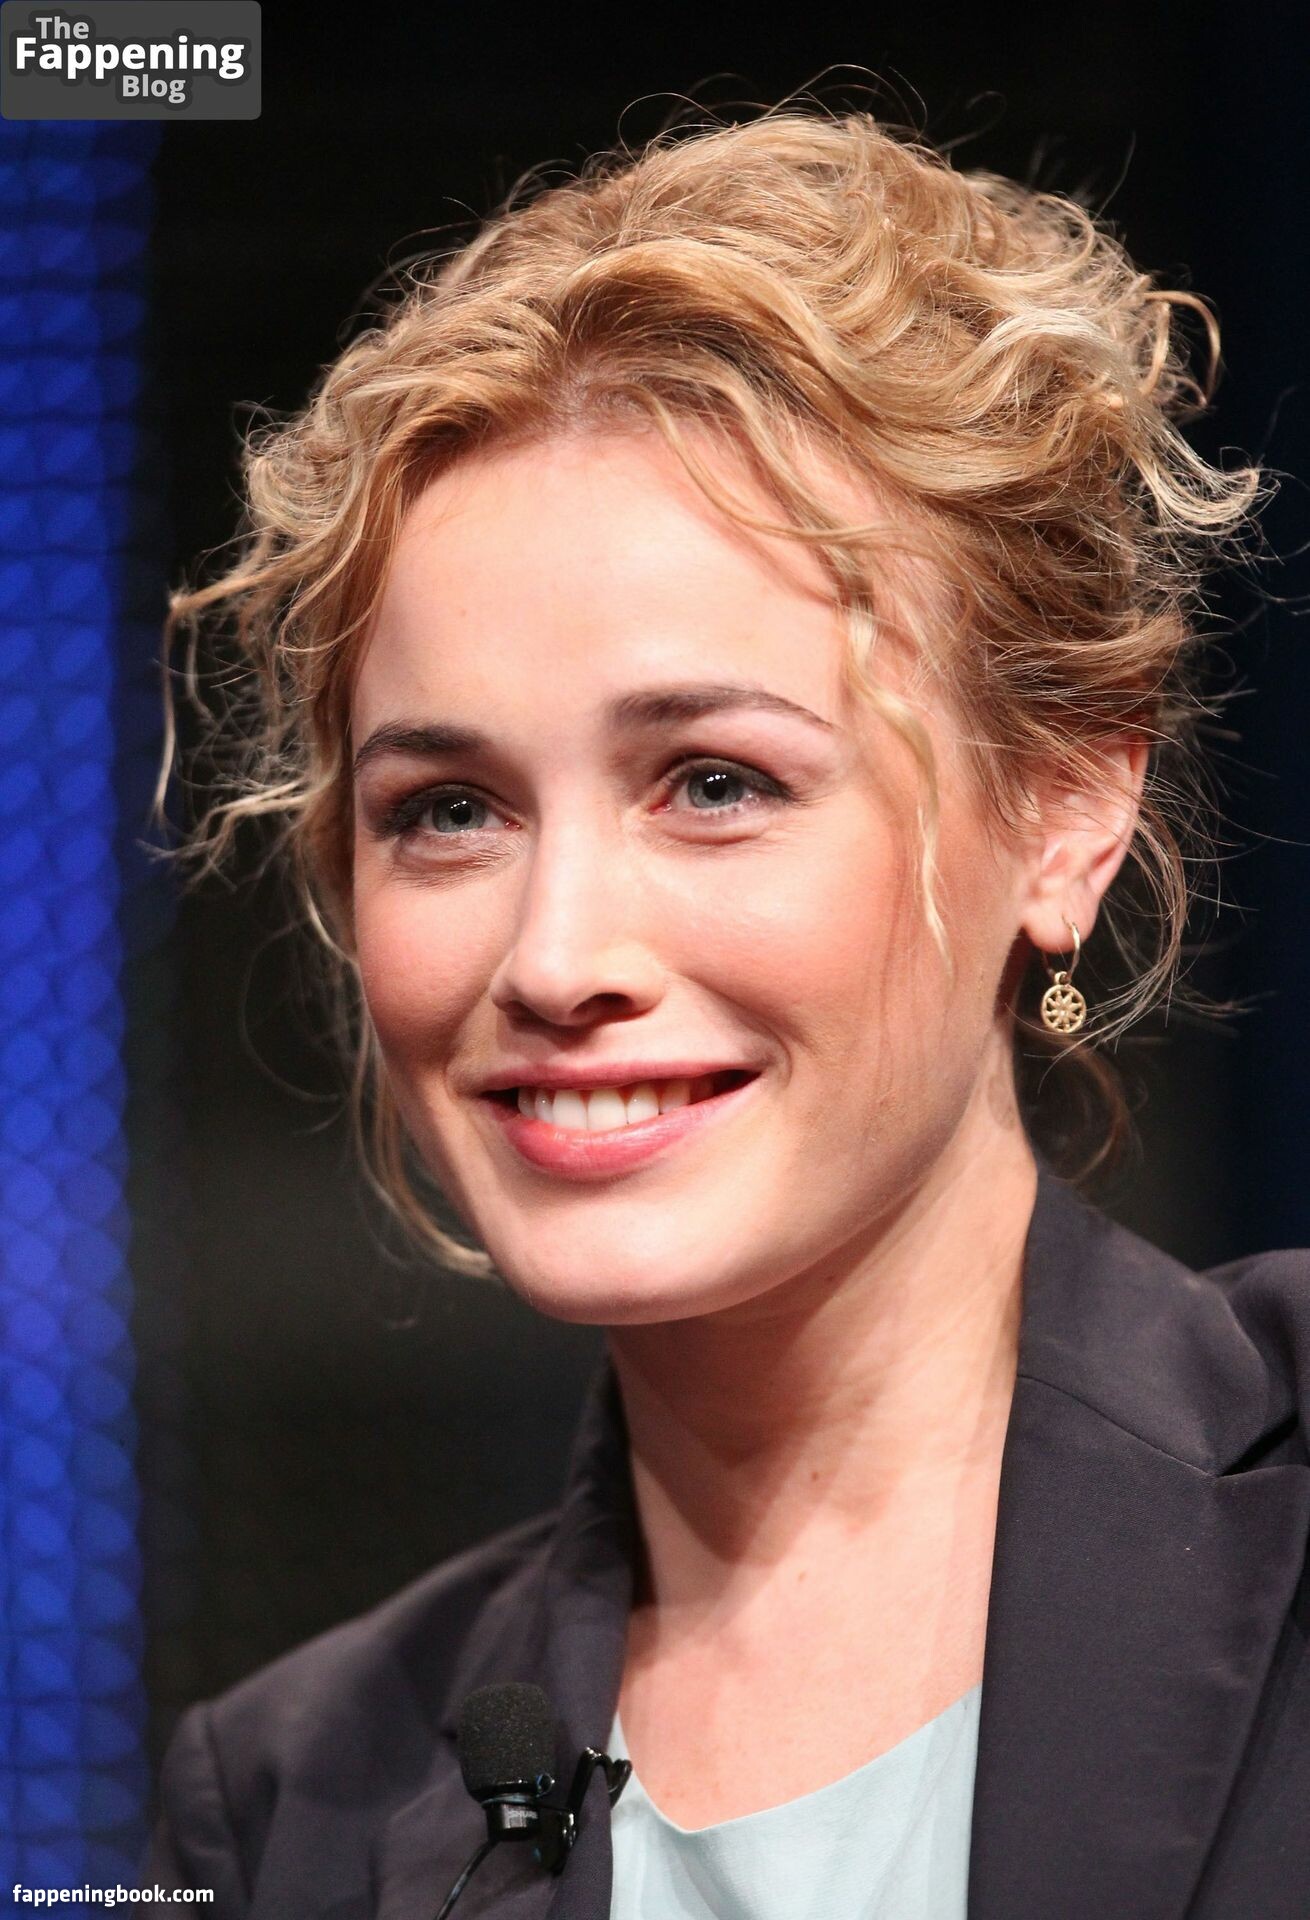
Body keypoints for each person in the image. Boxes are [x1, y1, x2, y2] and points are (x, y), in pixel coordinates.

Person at [142, 101, 1310, 1919]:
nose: (555, 957)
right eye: (447, 812)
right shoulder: (292, 1807)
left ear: (1063, 811)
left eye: (713, 782)